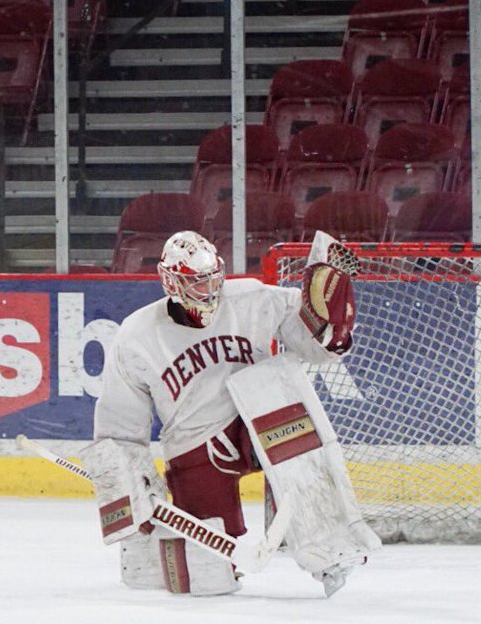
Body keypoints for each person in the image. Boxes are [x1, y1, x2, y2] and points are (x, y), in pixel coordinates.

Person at [83, 230, 376, 596]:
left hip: (258, 419)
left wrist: (329, 330)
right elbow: (119, 425)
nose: (208, 291)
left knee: (290, 424)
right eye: (196, 282)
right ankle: (155, 561)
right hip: (194, 444)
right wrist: (130, 487)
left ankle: (329, 544)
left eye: (212, 279)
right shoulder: (136, 335)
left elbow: (312, 342)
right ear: (171, 281)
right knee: (205, 578)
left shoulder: (251, 298)